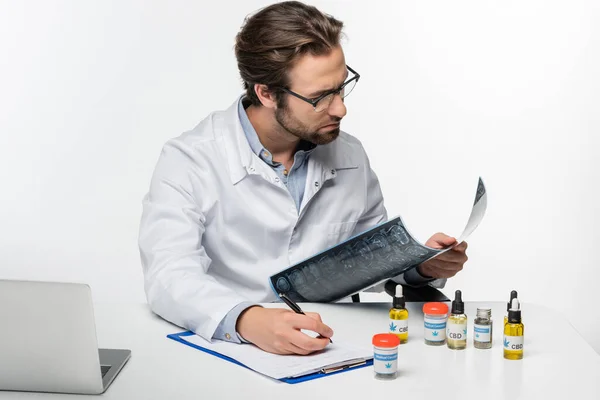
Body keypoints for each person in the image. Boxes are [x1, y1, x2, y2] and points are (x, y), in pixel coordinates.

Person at [138, 1, 468, 356]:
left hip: (333, 343)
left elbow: (369, 260)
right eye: (320, 97)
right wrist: (245, 319)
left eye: (341, 87)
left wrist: (418, 266)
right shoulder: (190, 159)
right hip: (232, 345)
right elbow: (169, 275)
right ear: (265, 93)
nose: (341, 108)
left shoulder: (349, 154)